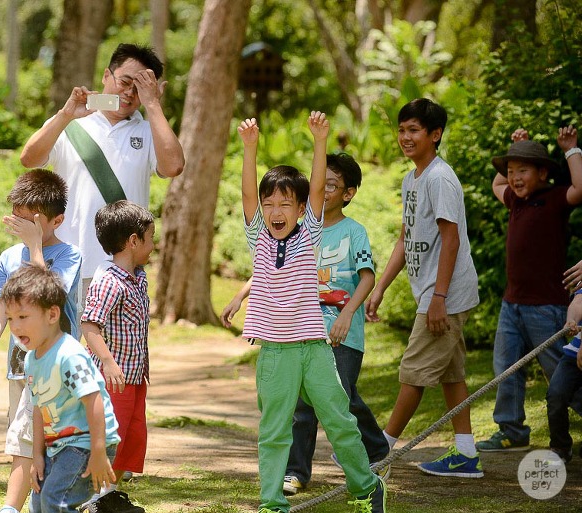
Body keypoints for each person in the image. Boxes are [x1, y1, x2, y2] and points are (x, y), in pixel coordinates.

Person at [238, 113, 386, 513]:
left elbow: (319, 187)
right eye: (270, 204)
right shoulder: (259, 239)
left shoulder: (309, 233)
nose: (275, 210)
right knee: (274, 431)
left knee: (339, 421)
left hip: (315, 348)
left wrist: (320, 142)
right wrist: (249, 148)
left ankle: (365, 487)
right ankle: (271, 502)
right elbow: (248, 197)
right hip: (274, 353)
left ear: (301, 208)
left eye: (285, 203)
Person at [366, 98, 482, 477]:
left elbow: (451, 241)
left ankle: (379, 452)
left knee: (412, 371)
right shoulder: (412, 178)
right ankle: (466, 455)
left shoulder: (440, 178)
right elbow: (405, 238)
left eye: (413, 130)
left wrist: (439, 298)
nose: (405, 137)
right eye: (401, 130)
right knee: (452, 374)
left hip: (444, 293)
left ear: (435, 135)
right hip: (434, 292)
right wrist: (380, 287)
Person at [20, 43, 184, 305]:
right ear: (107, 75)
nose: (129, 93)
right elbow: (29, 159)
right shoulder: (71, 122)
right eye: (125, 81)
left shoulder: (149, 131)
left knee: (117, 348)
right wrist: (65, 115)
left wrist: (153, 105)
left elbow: (174, 166)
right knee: (62, 346)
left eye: (139, 88)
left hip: (122, 270)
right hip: (67, 263)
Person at [0, 170, 82, 513]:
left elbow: (48, 295)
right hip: (19, 366)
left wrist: (34, 245)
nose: (20, 227)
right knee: (27, 438)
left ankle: (11, 508)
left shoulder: (69, 255)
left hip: (54, 364)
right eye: (16, 218)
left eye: (30, 221)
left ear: (57, 220)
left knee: (30, 439)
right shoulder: (7, 258)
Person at [476, 126, 582, 452]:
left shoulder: (554, 199)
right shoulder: (514, 201)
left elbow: (580, 187)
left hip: (545, 306)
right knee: (506, 368)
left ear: (543, 173)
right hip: (512, 304)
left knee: (560, 371)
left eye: (522, 170)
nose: (514, 178)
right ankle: (512, 430)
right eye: (510, 171)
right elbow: (496, 183)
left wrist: (571, 149)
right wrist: (517, 148)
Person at [0, 264, 138, 513]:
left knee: (56, 499)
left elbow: (94, 400)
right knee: (39, 503)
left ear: (52, 315)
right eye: (10, 318)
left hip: (87, 441)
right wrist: (37, 455)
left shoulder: (69, 355)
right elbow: (39, 409)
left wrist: (98, 451)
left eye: (22, 317)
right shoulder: (31, 359)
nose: (15, 327)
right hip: (59, 445)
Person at [81, 201, 155, 502]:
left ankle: (109, 492)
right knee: (111, 435)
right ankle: (94, 496)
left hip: (135, 376)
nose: (154, 245)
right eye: (150, 238)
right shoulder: (109, 281)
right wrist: (109, 363)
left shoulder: (138, 277)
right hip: (113, 378)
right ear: (133, 241)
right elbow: (90, 325)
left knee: (131, 435)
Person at [546, 288, 582, 463]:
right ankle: (560, 447)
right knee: (556, 394)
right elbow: (579, 301)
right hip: (574, 353)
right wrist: (571, 320)